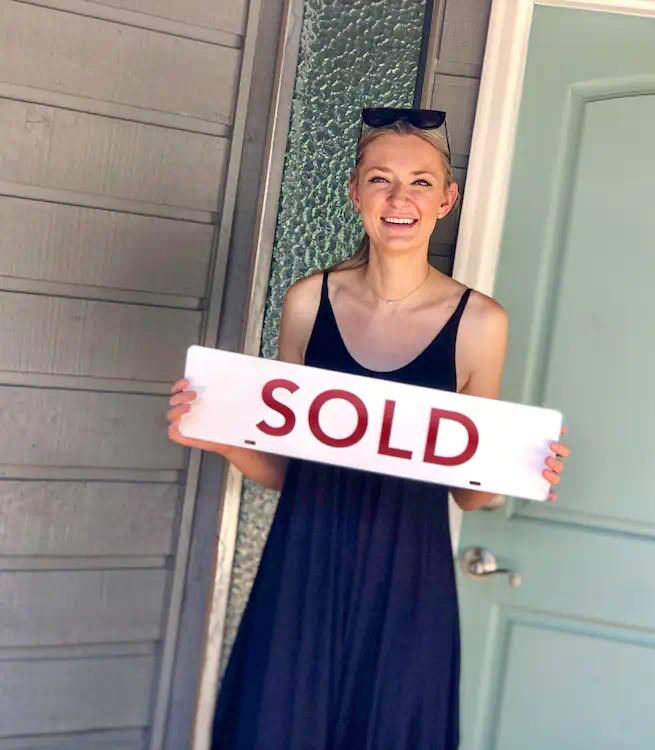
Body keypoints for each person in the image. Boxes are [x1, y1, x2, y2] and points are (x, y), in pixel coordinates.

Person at [166, 107, 570, 750]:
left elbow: (468, 490)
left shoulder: (480, 324)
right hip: (302, 569)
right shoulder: (307, 301)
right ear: (355, 192)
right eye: (380, 179)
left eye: (420, 181)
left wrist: (516, 470)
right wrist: (217, 439)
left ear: (447, 197)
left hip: (409, 585)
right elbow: (283, 464)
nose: (399, 197)